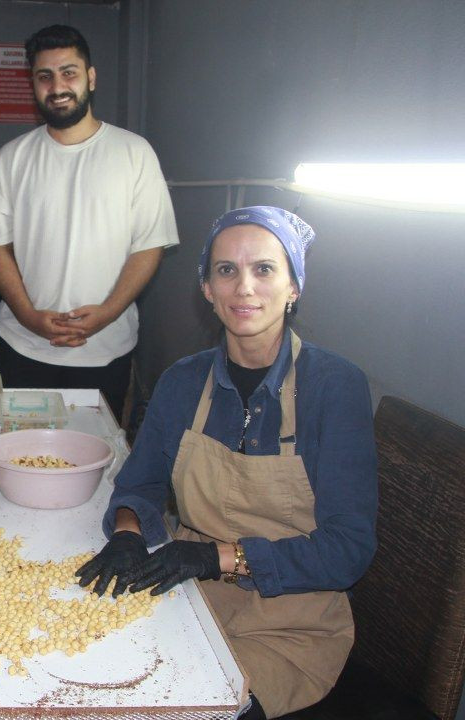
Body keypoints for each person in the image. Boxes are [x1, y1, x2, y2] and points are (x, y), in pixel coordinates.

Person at [75, 207, 378, 718]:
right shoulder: (182, 382)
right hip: (191, 600)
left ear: (294, 288)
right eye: (226, 270)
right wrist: (128, 532)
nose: (244, 288)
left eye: (264, 269)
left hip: (292, 623)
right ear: (207, 289)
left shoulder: (333, 387)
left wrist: (217, 556)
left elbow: (348, 549)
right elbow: (141, 483)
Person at [0, 25, 179, 420]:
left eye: (69, 72)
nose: (58, 86)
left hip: (106, 351)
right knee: (17, 457)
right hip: (23, 348)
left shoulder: (134, 153)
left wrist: (107, 312)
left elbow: (149, 246)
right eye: (45, 76)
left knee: (96, 466)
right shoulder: (11, 158)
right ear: (33, 84)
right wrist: (30, 318)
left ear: (91, 77)